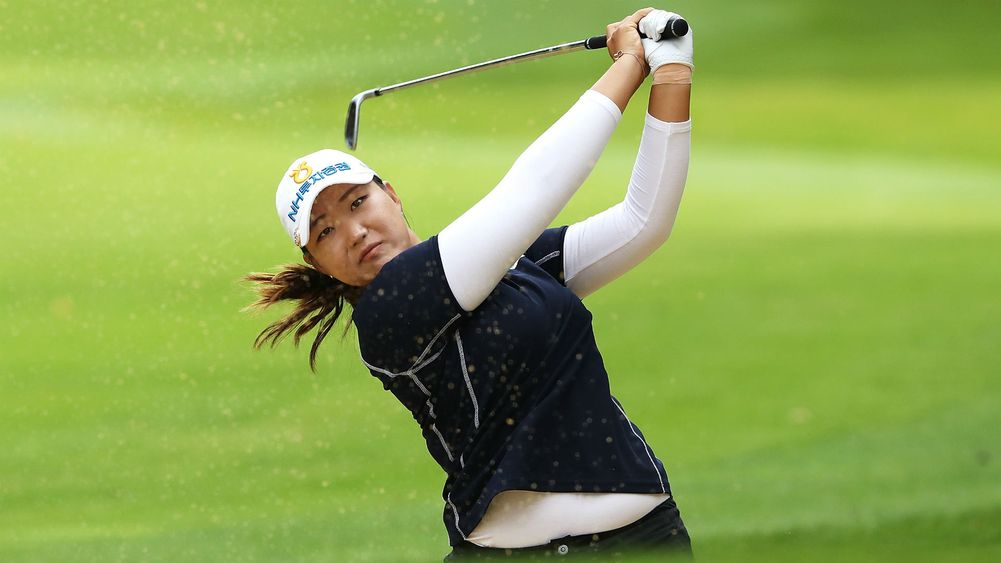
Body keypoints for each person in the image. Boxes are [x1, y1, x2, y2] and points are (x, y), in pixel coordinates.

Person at [245, 7, 695, 560]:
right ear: (318, 264)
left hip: (646, 539)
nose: (354, 231)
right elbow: (532, 189)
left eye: (358, 201)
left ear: (393, 193)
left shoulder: (505, 262)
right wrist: (629, 62)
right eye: (325, 231)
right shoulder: (390, 310)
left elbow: (642, 223)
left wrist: (672, 70)